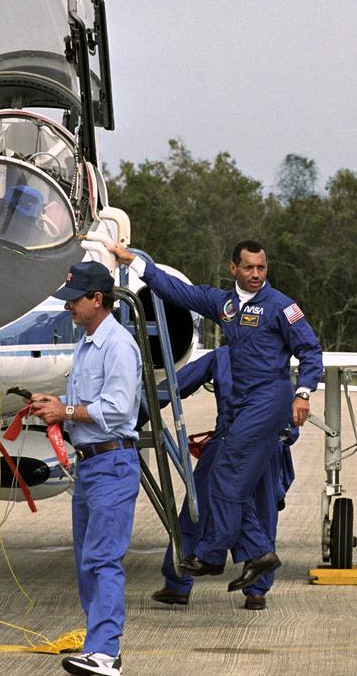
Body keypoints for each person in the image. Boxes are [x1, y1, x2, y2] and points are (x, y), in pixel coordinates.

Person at [107, 239, 323, 592]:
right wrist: (135, 264)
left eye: (262, 268)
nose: (256, 275)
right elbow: (179, 292)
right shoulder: (223, 304)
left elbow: (310, 350)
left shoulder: (282, 307)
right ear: (233, 269)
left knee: (223, 476)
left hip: (267, 400)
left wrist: (303, 393)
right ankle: (255, 555)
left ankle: (212, 556)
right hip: (240, 411)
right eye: (249, 268)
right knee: (227, 484)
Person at [30, 261, 142, 676]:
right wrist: (55, 403)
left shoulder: (118, 345)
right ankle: (98, 643)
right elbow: (87, 403)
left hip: (112, 462)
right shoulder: (88, 342)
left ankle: (105, 653)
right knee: (86, 562)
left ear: (98, 300)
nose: (69, 309)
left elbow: (117, 408)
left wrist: (67, 410)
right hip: (92, 465)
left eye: (74, 301)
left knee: (103, 559)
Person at [151, 345, 299, 610]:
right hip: (268, 446)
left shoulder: (222, 355)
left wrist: (136, 407)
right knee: (262, 515)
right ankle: (257, 591)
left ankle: (178, 583)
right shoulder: (276, 356)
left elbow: (174, 386)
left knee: (197, 513)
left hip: (228, 444)